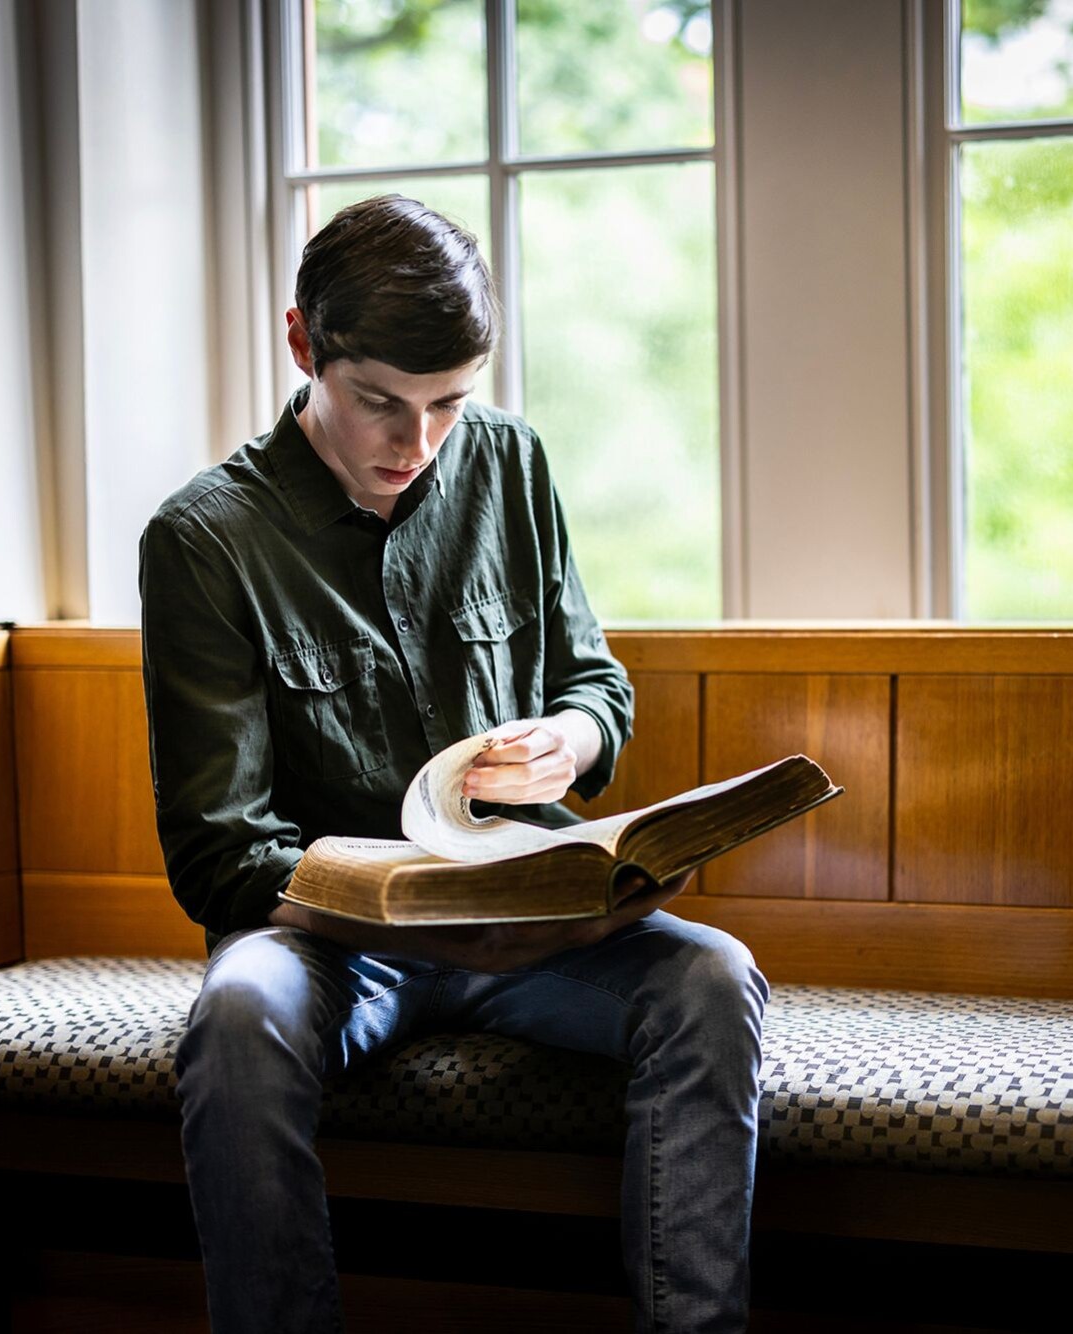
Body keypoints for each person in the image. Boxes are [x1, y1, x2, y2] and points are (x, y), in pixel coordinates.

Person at [138, 194, 768, 1334]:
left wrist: (565, 744)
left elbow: (595, 686)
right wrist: (407, 909)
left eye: (447, 405)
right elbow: (217, 855)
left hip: (533, 928)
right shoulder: (203, 538)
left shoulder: (512, 465)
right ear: (301, 345)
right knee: (236, 1013)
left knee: (710, 975)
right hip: (328, 946)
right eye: (380, 402)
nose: (414, 444)